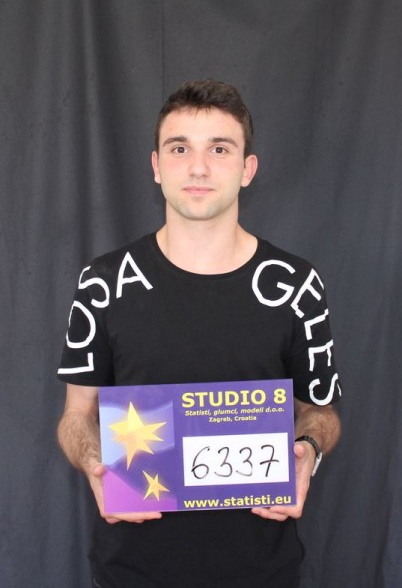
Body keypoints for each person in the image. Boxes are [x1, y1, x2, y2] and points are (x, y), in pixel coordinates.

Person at [57, 79, 341, 588]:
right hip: (131, 570)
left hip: (261, 570)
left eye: (220, 149)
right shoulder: (104, 283)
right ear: (156, 166)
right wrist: (95, 462)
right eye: (180, 148)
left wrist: (308, 451)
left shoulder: (296, 286)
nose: (198, 167)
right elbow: (76, 416)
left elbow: (321, 412)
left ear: (248, 169)